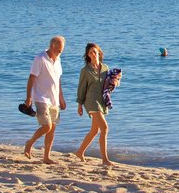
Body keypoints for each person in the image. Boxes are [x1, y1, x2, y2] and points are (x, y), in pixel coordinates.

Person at [23, 36, 66, 164]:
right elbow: (31, 78)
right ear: (52, 46)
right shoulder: (40, 58)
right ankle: (29, 143)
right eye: (58, 50)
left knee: (52, 128)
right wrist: (29, 97)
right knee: (47, 126)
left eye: (61, 50)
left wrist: (61, 98)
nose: (60, 53)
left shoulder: (58, 60)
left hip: (54, 99)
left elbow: (58, 80)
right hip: (41, 97)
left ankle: (46, 157)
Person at [74, 42, 114, 166]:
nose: (93, 54)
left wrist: (114, 83)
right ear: (88, 55)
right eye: (90, 52)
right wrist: (79, 104)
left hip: (101, 101)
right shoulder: (85, 70)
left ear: (99, 53)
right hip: (91, 101)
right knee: (105, 128)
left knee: (94, 131)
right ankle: (105, 159)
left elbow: (108, 85)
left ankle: (80, 152)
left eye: (95, 51)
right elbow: (81, 88)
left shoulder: (105, 68)